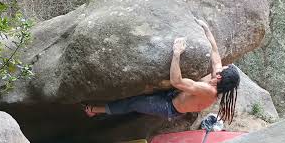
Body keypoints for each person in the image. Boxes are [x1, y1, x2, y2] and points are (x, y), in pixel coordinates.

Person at [84, 18, 240, 123]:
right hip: (174, 96)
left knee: (133, 103)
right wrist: (206, 28)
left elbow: (176, 81)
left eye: (224, 69)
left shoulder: (208, 90)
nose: (222, 66)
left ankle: (94, 110)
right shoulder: (217, 78)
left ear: (219, 78)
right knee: (140, 99)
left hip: (169, 107)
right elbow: (215, 52)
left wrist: (177, 54)